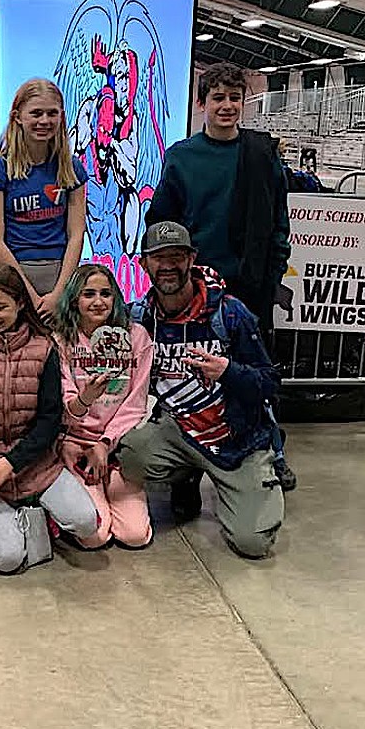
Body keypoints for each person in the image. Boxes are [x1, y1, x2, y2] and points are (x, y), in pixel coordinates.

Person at [145, 62, 295, 492]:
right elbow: (161, 221)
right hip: (195, 290)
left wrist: (273, 271)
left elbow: (279, 220)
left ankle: (268, 450)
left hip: (248, 285)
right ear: (202, 104)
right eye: (218, 98)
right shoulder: (182, 157)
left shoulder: (262, 153)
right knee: (190, 375)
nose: (227, 106)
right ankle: (187, 472)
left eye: (234, 98)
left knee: (250, 374)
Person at [118, 222, 284, 560]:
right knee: (129, 455)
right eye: (158, 257)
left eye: (176, 256)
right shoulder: (138, 317)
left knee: (253, 544)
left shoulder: (230, 313)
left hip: (236, 438)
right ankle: (187, 474)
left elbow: (270, 383)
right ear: (144, 263)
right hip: (179, 430)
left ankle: (260, 470)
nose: (167, 266)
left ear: (192, 259)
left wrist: (228, 371)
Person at [0, 265, 99, 574]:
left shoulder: (44, 349)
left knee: (86, 521)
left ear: (19, 304)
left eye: (0, 307)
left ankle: (38, 510)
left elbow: (49, 421)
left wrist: (12, 463)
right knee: (7, 560)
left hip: (38, 466)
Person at [54, 264, 154, 549]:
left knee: (135, 536)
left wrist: (106, 444)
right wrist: (85, 398)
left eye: (105, 294)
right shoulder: (61, 340)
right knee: (94, 538)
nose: (98, 301)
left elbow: (136, 403)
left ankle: (113, 486)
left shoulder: (137, 337)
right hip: (77, 444)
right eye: (88, 294)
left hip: (119, 445)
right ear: (74, 299)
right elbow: (65, 408)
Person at [0, 78, 88, 318]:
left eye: (52, 113)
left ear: (61, 116)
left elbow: (76, 234)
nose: (44, 121)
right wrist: (28, 294)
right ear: (18, 116)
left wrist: (60, 293)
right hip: (12, 279)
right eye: (36, 113)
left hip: (60, 278)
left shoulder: (71, 168)